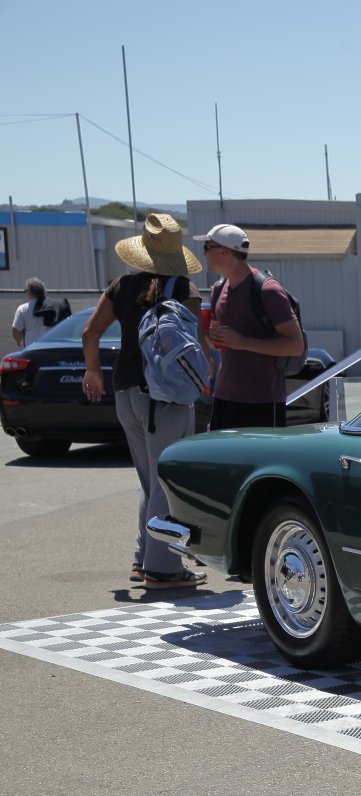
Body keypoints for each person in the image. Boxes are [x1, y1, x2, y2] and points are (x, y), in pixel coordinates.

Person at [80, 213, 206, 589]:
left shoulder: (121, 286)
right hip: (165, 397)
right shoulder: (184, 289)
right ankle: (163, 569)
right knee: (167, 482)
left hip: (125, 392)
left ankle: (142, 560)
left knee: (149, 481)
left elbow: (89, 333)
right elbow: (194, 346)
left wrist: (93, 372)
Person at [194, 224, 305, 431]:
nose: (204, 253)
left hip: (263, 401)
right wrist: (207, 336)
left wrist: (243, 342)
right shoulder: (218, 289)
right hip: (224, 398)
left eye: (207, 247)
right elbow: (220, 343)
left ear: (224, 251)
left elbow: (296, 345)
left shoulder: (268, 289)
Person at [12, 278, 69, 350]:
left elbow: (16, 331)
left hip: (31, 349)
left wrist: (20, 343)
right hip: (52, 348)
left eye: (26, 291)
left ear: (29, 292)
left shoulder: (22, 309)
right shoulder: (54, 306)